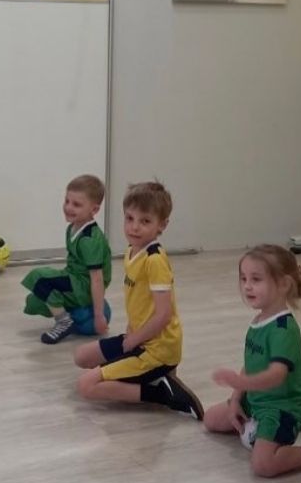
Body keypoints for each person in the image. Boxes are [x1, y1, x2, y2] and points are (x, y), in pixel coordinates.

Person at [204, 245, 301, 477]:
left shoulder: (284, 329)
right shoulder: (259, 320)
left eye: (256, 279)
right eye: (243, 278)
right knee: (211, 419)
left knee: (263, 465)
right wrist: (237, 397)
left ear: (284, 284)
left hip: (280, 406)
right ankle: (285, 427)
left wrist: (239, 382)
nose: (247, 286)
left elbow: (276, 375)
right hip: (255, 399)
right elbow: (251, 364)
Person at [74, 181, 203, 418]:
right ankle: (154, 378)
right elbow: (140, 301)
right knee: (81, 356)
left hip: (157, 349)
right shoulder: (132, 250)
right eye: (129, 218)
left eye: (145, 221)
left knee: (86, 386)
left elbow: (163, 315)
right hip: (139, 337)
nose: (134, 227)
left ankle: (163, 394)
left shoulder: (154, 260)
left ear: (162, 225)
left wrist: (134, 339)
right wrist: (131, 333)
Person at [21, 174, 112, 344]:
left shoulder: (89, 240)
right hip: (74, 279)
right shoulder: (72, 228)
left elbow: (97, 279)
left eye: (76, 204)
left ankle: (64, 322)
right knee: (34, 302)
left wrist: (99, 316)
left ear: (94, 210)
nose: (68, 207)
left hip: (84, 286)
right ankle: (68, 314)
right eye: (67, 201)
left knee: (38, 276)